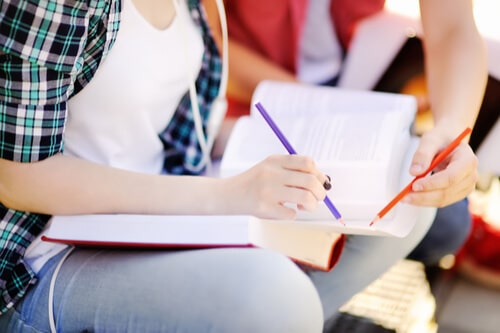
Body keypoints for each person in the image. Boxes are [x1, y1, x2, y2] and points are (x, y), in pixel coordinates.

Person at [0, 1, 480, 333]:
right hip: (49, 256)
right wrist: (225, 196)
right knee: (274, 299)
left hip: (158, 211)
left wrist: (312, 152)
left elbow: (176, 123)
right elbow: (17, 176)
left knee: (405, 198)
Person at [204, 0, 488, 267]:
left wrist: (452, 129)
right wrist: (325, 106)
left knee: (445, 222)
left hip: (350, 81)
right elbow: (207, 42)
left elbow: (453, 27)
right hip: (247, 98)